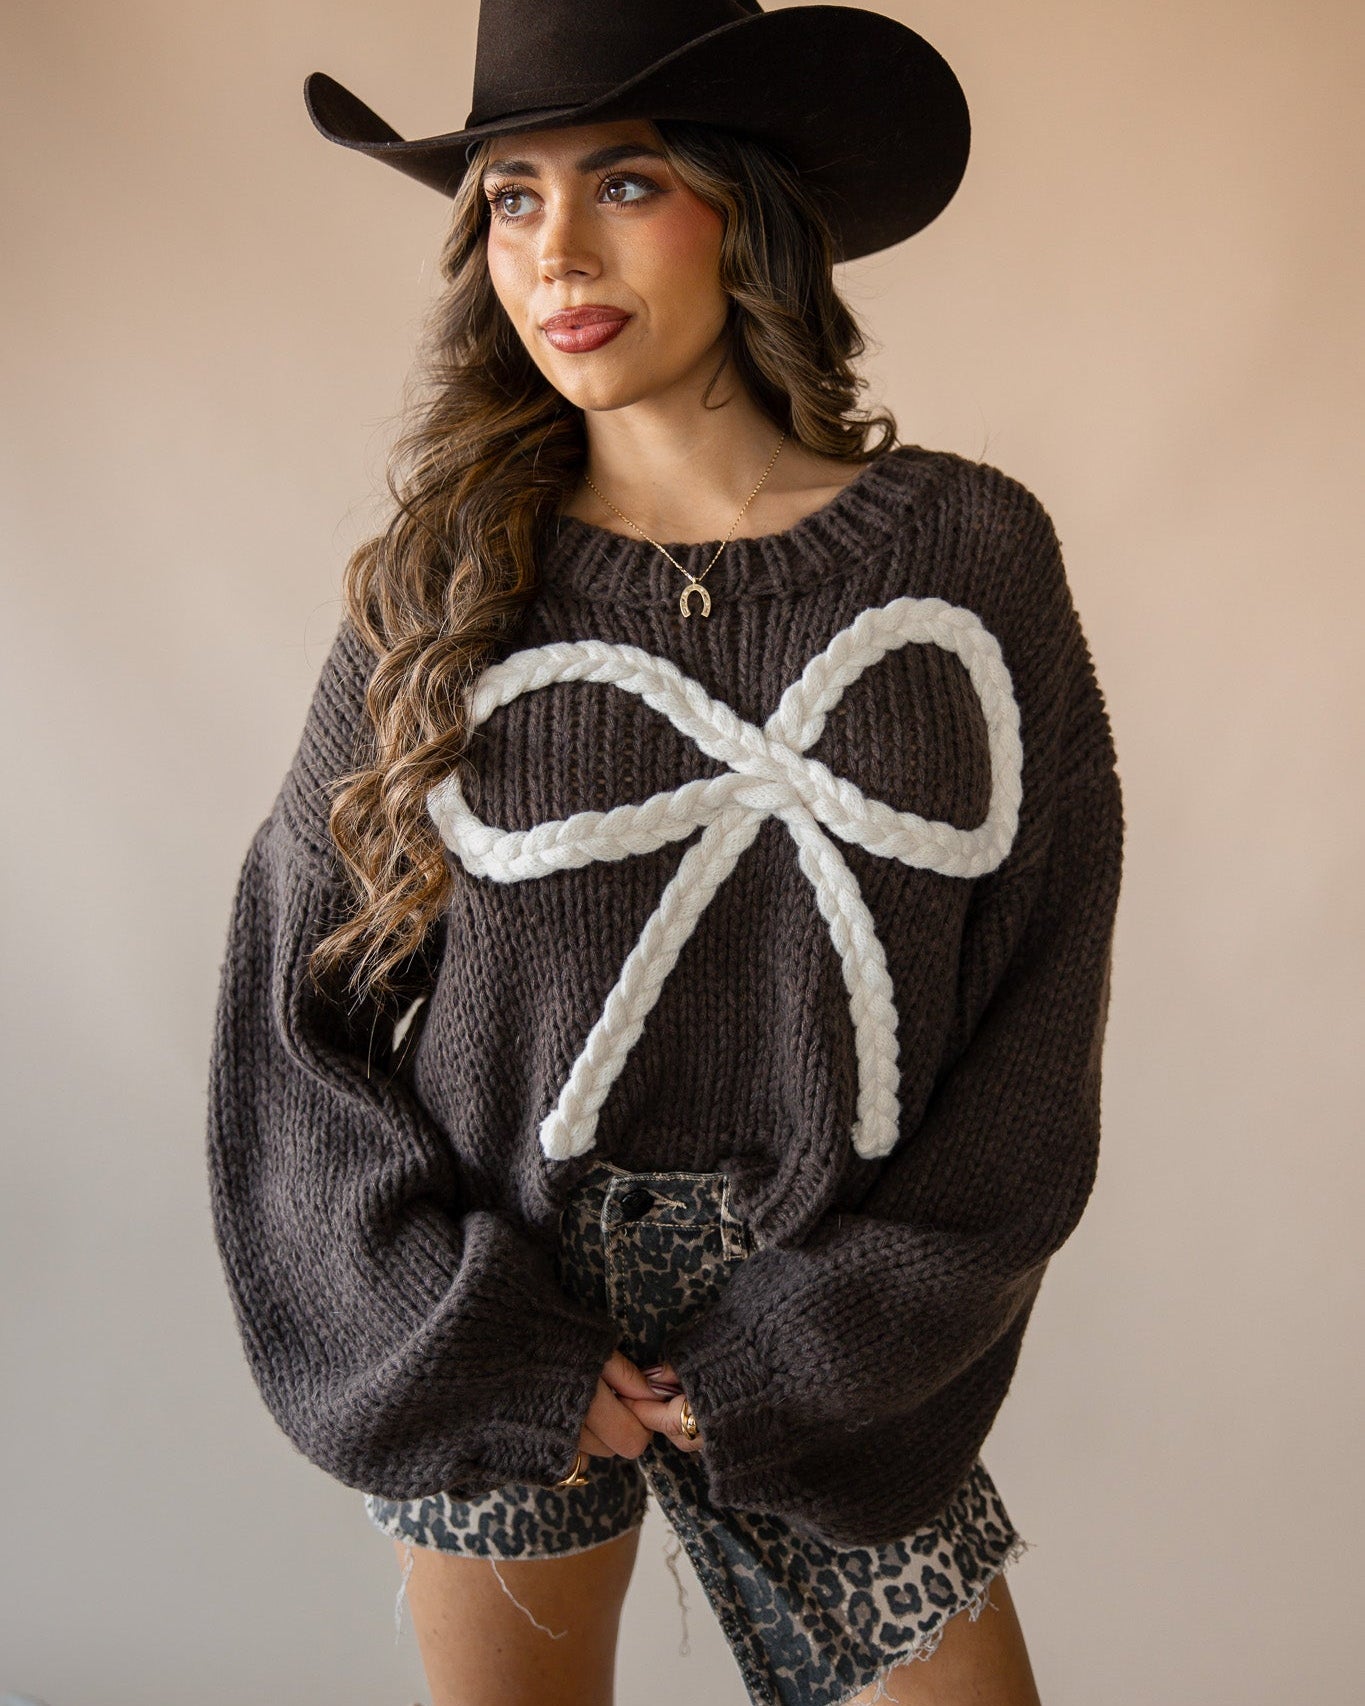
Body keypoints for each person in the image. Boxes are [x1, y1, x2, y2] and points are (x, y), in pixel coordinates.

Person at [205, 4, 1125, 1704]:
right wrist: (463, 1330)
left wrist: (830, 1335)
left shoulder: (964, 559)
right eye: (509, 198)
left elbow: (1039, 1003)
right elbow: (295, 1010)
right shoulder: (441, 587)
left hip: (826, 1320)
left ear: (744, 209)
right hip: (501, 1308)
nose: (554, 250)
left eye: (622, 183)